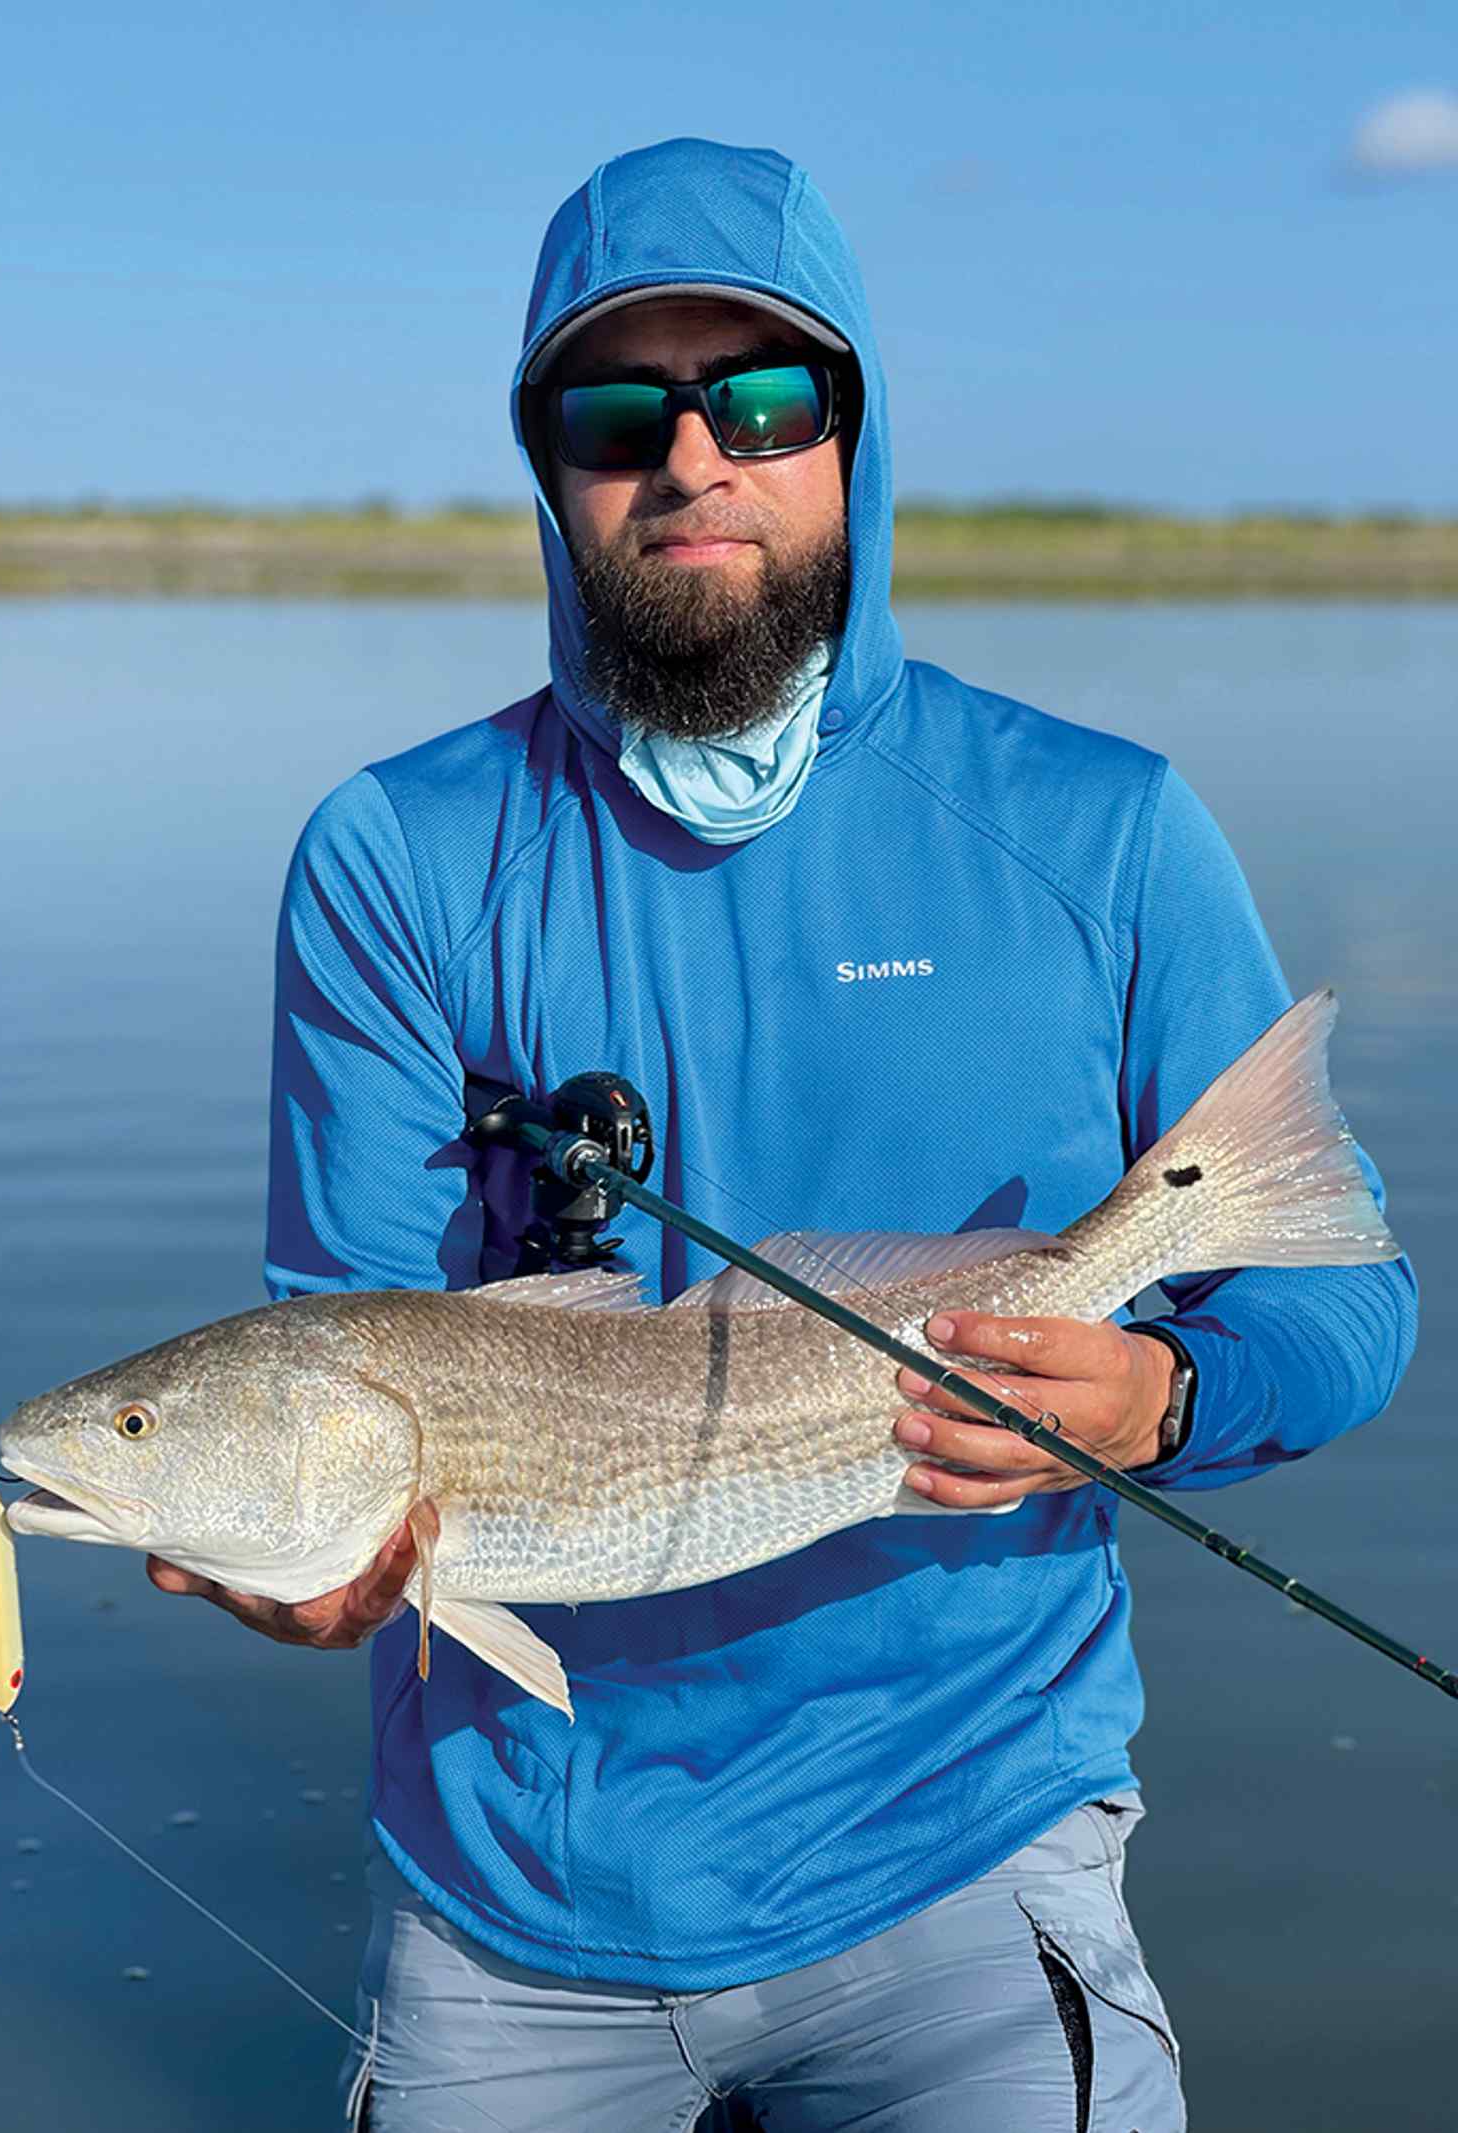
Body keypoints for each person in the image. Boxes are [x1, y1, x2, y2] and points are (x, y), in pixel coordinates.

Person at [149, 138, 1416, 2130]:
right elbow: (348, 1341)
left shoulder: (1100, 829)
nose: (690, 459)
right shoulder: (398, 855)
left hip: (967, 1840)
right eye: (613, 413)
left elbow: (1344, 1306)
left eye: (758, 397)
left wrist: (1161, 1397)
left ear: (851, 430)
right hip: (514, 1890)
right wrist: (308, 1561)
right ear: (548, 468)